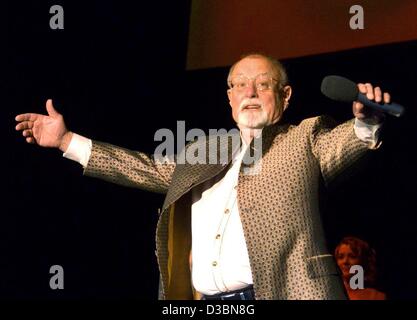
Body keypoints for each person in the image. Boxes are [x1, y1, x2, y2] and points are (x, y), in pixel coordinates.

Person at [15, 53, 390, 300]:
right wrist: (66, 140)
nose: (251, 91)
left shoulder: (304, 138)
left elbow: (347, 143)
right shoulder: (204, 151)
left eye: (263, 83)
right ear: (229, 97)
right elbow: (145, 168)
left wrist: (366, 121)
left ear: (285, 95)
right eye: (240, 83)